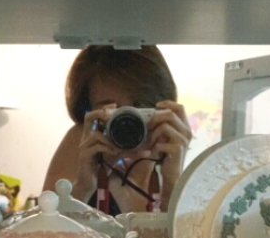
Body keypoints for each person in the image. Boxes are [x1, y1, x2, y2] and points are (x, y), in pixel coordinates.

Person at [43, 45, 192, 215]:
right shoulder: (82, 140)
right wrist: (84, 187)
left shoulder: (168, 151)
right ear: (91, 111)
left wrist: (173, 183)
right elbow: (45, 223)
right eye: (113, 110)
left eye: (139, 107)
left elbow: (189, 231)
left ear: (160, 107)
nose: (127, 123)